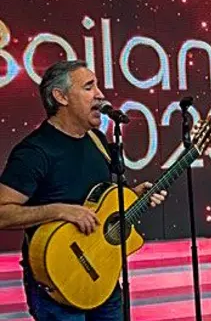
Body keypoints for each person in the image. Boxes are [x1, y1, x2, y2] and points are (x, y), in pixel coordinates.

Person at [0, 60, 167, 320]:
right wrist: (59, 211)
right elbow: (2, 213)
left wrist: (134, 195)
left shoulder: (96, 140)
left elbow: (98, 203)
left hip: (103, 278)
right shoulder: (34, 152)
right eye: (89, 87)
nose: (100, 94)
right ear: (61, 97)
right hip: (58, 282)